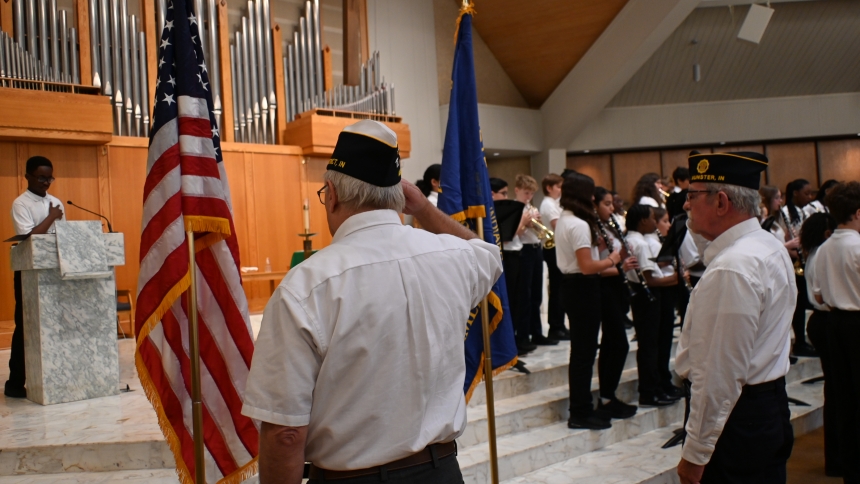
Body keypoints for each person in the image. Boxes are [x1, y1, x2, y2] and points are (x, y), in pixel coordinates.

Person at [242, 120, 503, 483]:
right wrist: (425, 210)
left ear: (331, 194)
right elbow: (489, 254)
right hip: (441, 472)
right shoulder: (451, 257)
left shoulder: (306, 286)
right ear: (401, 196)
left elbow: (285, 433)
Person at [676, 151, 795, 484]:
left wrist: (696, 453)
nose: (685, 205)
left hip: (738, 420)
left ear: (721, 201)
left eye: (692, 195)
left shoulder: (733, 267)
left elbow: (719, 374)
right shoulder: (767, 245)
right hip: (764, 406)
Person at [555, 173, 624, 430]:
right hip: (582, 287)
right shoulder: (578, 224)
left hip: (574, 287)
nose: (594, 198)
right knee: (584, 352)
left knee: (582, 351)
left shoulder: (566, 219)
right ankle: (580, 412)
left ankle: (582, 407)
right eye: (591, 193)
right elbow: (586, 267)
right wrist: (614, 259)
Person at [5, 156, 65, 399]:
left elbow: (64, 235)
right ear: (27, 176)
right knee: (26, 327)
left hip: (53, 271)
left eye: (49, 177)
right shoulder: (21, 204)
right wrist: (51, 218)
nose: (46, 182)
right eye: (41, 177)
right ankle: (15, 383)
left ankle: (52, 378)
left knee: (53, 326)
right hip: (29, 274)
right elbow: (28, 238)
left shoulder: (56, 202)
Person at [814, 181, 860, 484]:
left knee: (845, 401)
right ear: (857, 213)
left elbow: (817, 295)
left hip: (834, 324)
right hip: (857, 324)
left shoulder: (823, 248)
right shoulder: (857, 246)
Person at [625, 204, 680, 407]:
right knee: (649, 346)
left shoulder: (633, 240)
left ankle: (655, 388)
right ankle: (649, 392)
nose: (654, 222)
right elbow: (650, 280)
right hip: (646, 297)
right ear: (643, 221)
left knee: (651, 345)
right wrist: (676, 278)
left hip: (643, 296)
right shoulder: (640, 243)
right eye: (652, 218)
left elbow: (653, 268)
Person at [800, 212, 841, 478]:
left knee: (836, 390)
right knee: (838, 391)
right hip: (827, 320)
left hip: (824, 321)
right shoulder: (822, 254)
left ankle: (837, 457)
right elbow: (821, 295)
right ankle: (837, 458)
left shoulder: (816, 253)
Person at [593, 186, 638, 420]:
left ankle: (609, 396)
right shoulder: (594, 230)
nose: (612, 208)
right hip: (605, 289)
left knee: (614, 343)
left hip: (616, 287)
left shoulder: (608, 226)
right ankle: (606, 397)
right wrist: (620, 266)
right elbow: (597, 267)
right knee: (617, 343)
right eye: (607, 204)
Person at [492, 178, 535, 356]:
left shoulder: (508, 208)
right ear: (492, 194)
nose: (506, 196)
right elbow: (507, 236)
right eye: (503, 193)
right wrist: (524, 221)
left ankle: (517, 340)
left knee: (519, 299)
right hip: (506, 256)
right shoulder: (495, 210)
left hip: (517, 254)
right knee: (508, 300)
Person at [512, 174, 557, 347]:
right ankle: (523, 335)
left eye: (531, 193)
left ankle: (537, 332)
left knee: (537, 295)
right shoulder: (516, 208)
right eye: (526, 193)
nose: (528, 196)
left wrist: (537, 221)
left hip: (536, 249)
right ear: (517, 190)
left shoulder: (530, 208)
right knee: (525, 295)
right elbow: (515, 233)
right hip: (523, 252)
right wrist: (526, 224)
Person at [781, 179, 817, 357]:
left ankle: (803, 341)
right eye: (806, 193)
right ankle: (799, 342)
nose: (809, 197)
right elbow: (779, 237)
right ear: (795, 193)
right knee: (799, 303)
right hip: (790, 261)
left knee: (803, 301)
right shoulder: (784, 213)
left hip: (803, 260)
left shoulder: (804, 211)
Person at [540, 173, 569, 341]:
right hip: (552, 249)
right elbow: (557, 226)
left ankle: (560, 325)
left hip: (559, 248)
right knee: (557, 289)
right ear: (549, 188)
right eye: (558, 187)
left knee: (561, 289)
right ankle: (556, 326)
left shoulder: (556, 203)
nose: (561, 190)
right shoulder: (548, 204)